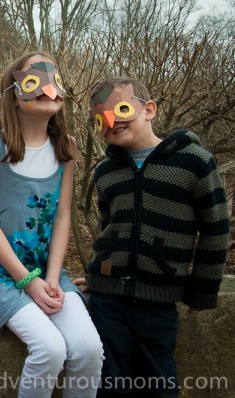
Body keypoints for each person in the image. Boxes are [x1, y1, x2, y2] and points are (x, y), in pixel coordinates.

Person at [83, 77, 230, 397]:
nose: (112, 123)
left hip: (159, 297)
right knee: (110, 378)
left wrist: (203, 288)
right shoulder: (106, 171)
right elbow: (109, 227)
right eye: (101, 120)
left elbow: (216, 227)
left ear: (148, 109)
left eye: (121, 109)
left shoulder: (194, 162)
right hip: (109, 298)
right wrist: (96, 274)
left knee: (157, 379)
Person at [0, 52, 104, 398]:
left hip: (48, 272)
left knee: (89, 350)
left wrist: (49, 276)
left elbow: (62, 216)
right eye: (34, 79)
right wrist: (27, 281)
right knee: (50, 349)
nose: (47, 86)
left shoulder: (67, 148)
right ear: (14, 92)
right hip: (1, 274)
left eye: (53, 78)